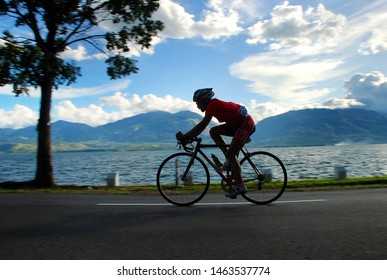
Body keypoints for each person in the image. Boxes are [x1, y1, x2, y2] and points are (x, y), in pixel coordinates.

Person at [176, 88, 255, 198]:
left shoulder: (213, 105)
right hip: (237, 125)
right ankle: (228, 158)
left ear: (204, 100)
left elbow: (203, 125)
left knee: (232, 154)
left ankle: (240, 186)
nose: (197, 106)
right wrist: (189, 136)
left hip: (245, 124)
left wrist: (186, 136)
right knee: (213, 132)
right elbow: (203, 127)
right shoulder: (212, 105)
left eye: (198, 102)